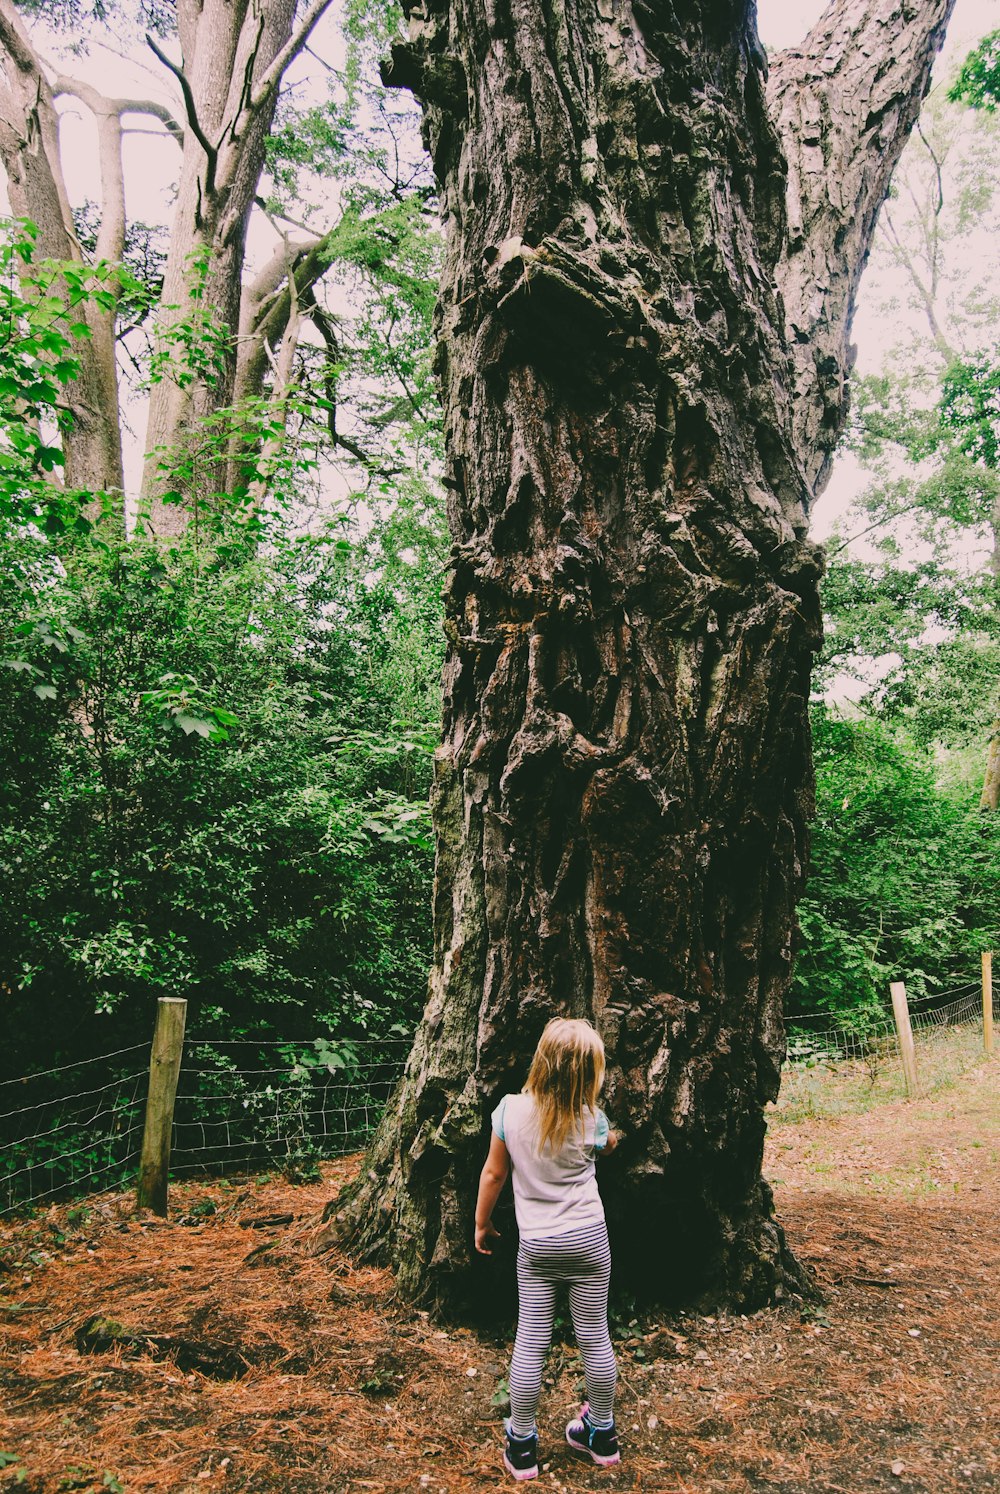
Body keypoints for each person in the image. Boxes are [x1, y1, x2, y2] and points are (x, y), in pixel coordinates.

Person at [475, 1017, 620, 1481]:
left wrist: (482, 1223)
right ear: (587, 1074)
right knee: (594, 1336)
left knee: (531, 1341)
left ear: (543, 1062)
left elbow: (494, 1175)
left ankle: (521, 1444)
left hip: (537, 1246)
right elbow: (607, 1145)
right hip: (589, 1241)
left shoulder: (509, 1111)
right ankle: (601, 1432)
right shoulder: (591, 1118)